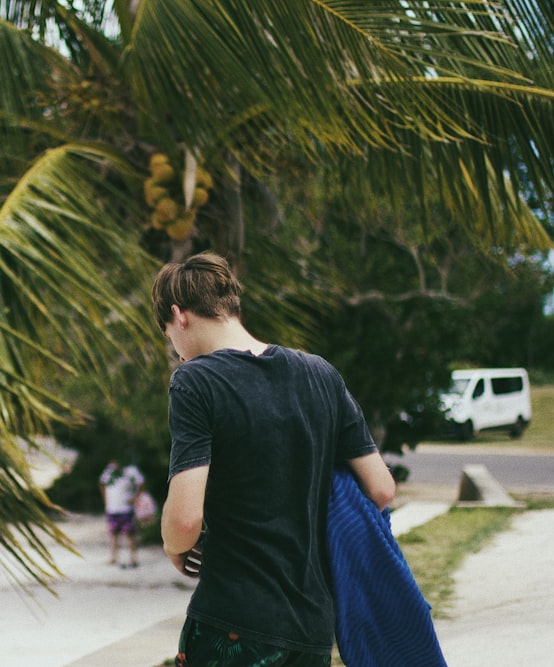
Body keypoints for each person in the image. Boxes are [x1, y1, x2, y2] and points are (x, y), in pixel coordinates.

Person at [151, 252, 396, 667]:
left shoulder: (195, 381)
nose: (176, 351)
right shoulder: (320, 373)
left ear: (179, 315)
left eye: (169, 335)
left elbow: (185, 521)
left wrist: (176, 547)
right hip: (311, 627)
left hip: (232, 619)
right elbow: (381, 488)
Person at [99, 457, 145, 568]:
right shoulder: (110, 470)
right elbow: (102, 483)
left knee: (130, 534)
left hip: (126, 508)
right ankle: (114, 557)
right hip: (112, 508)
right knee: (113, 534)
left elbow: (141, 482)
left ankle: (133, 558)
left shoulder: (131, 470)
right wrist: (106, 499)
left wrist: (135, 498)